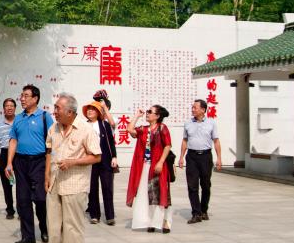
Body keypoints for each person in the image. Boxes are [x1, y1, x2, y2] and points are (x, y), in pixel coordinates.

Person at [40, 93, 101, 243]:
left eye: (58, 108)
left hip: (75, 184)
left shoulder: (85, 130)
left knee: (72, 225)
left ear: (70, 112)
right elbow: (48, 152)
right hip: (55, 182)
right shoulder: (53, 128)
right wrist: (46, 176)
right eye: (55, 108)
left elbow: (96, 156)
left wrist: (73, 162)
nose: (54, 111)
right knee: (54, 225)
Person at [5, 84, 53, 243]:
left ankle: (44, 227)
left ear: (35, 98)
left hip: (39, 161)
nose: (22, 99)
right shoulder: (18, 118)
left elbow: (51, 142)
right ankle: (28, 236)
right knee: (23, 199)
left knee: (40, 198)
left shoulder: (45, 117)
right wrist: (9, 163)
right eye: (22, 96)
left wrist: (49, 167)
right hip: (21, 162)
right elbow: (13, 140)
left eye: (26, 96)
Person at [125, 105, 174, 233]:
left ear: (157, 116)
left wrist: (160, 162)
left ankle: (165, 222)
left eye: (150, 112)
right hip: (145, 166)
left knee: (161, 194)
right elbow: (130, 129)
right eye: (147, 111)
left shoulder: (162, 128)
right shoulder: (144, 129)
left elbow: (167, 146)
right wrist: (137, 115)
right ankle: (151, 222)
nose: (147, 113)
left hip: (158, 165)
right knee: (146, 194)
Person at [179, 99, 223, 224]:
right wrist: (181, 157)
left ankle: (204, 210)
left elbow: (216, 141)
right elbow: (185, 140)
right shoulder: (188, 123)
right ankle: (196, 213)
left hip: (205, 156)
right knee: (192, 186)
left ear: (203, 110)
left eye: (195, 107)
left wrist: (219, 158)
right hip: (191, 157)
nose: (192, 109)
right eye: (192, 107)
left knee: (206, 185)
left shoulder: (211, 123)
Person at [83, 101, 118, 225]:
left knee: (107, 187)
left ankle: (110, 216)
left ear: (98, 112)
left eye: (93, 109)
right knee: (92, 188)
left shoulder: (104, 124)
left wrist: (114, 157)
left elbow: (111, 141)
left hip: (105, 159)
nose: (90, 111)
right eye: (88, 109)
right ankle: (94, 215)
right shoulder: (83, 126)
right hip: (90, 159)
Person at [0, 98, 17, 218]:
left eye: (12, 106)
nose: (9, 108)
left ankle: (22, 209)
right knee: (7, 184)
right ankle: (10, 210)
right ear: (3, 109)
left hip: (19, 154)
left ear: (15, 108)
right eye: (7, 106)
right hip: (5, 154)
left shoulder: (20, 121)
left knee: (21, 184)